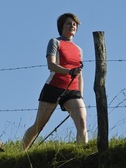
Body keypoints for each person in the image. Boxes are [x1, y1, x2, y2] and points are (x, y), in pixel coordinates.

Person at [22, 13, 88, 150]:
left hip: (73, 90)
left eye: (74, 24)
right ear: (61, 26)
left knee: (82, 122)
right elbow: (51, 65)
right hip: (54, 87)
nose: (72, 26)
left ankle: (82, 153)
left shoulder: (79, 50)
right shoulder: (55, 42)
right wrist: (69, 72)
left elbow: (80, 74)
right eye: (69, 23)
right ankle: (21, 152)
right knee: (39, 125)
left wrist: (80, 94)